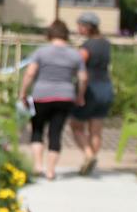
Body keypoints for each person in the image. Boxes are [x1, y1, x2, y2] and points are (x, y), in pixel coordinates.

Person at [18, 19, 87, 181]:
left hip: (41, 95)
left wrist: (22, 92)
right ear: (66, 35)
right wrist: (80, 95)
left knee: (37, 129)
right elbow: (83, 78)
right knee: (55, 133)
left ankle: (37, 165)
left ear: (49, 34)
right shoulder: (74, 55)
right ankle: (50, 171)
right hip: (65, 96)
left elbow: (29, 73)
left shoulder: (41, 52)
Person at [68, 12, 113, 175]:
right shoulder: (106, 43)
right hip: (106, 87)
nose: (78, 28)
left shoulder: (88, 46)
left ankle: (88, 155)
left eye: (80, 25)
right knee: (96, 130)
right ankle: (91, 161)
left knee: (76, 126)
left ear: (87, 27)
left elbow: (78, 64)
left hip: (90, 88)